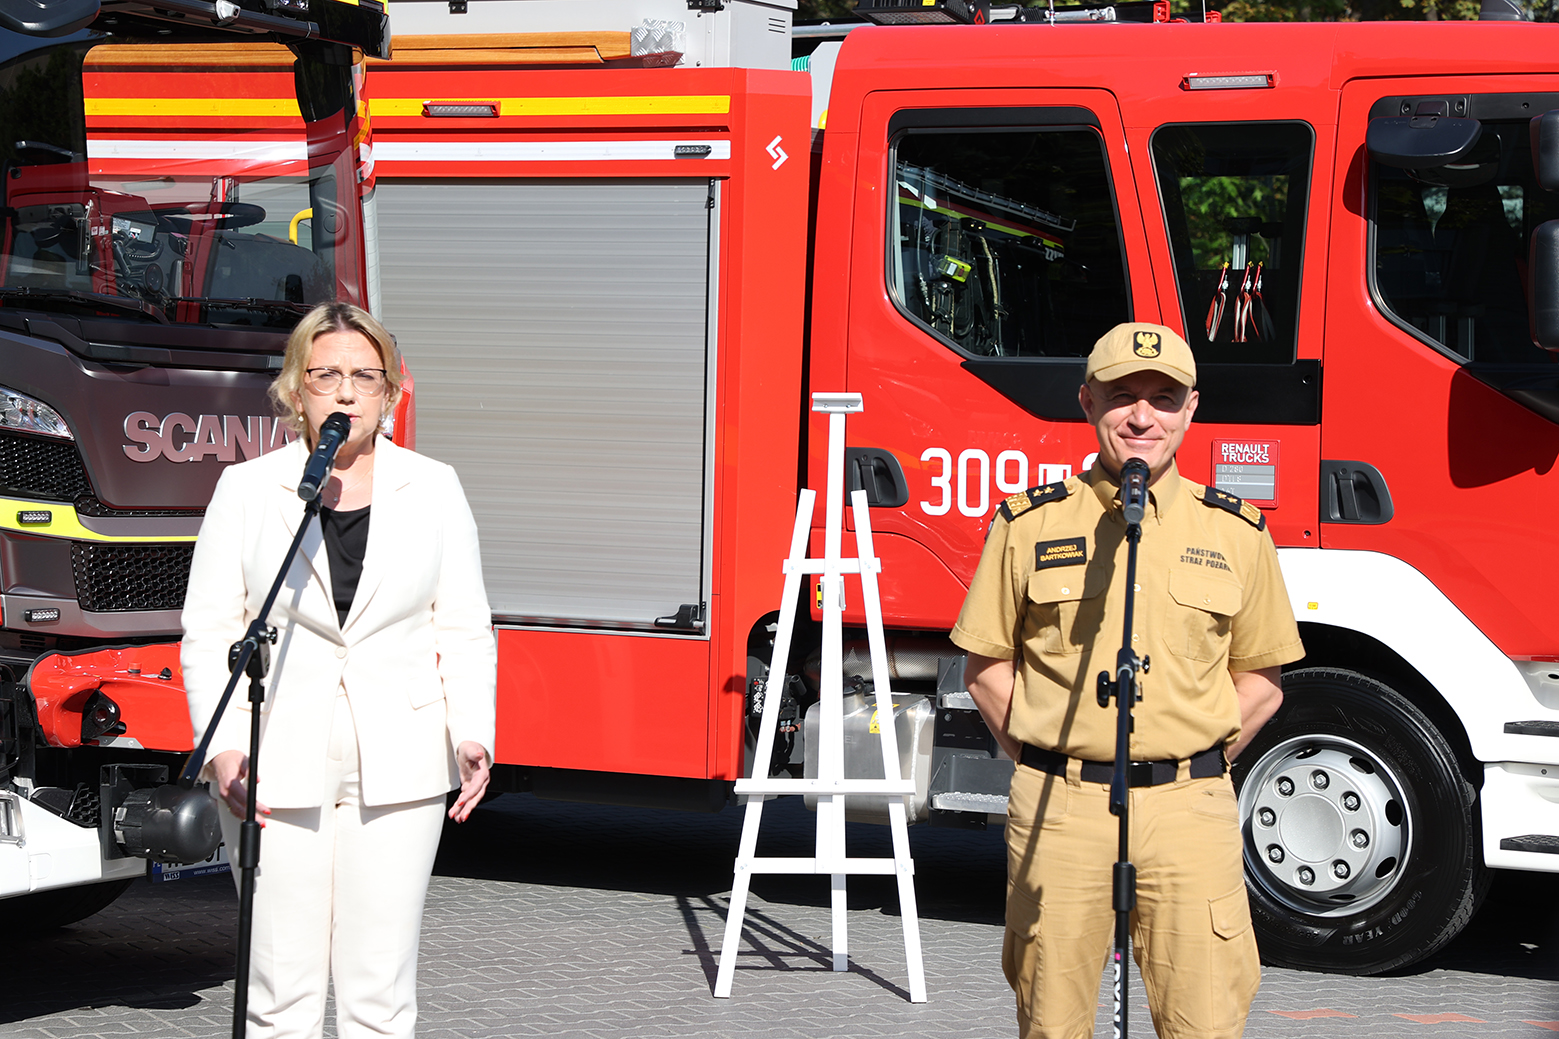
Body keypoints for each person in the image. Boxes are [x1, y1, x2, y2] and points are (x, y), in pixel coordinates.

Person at [952, 322, 1303, 1039]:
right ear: (1087, 402)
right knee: (1051, 1023)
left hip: (1188, 813)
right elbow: (986, 671)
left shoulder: (1237, 533)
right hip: (1061, 809)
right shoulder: (1027, 524)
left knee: (1203, 1023)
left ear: (1190, 409)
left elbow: (1261, 680)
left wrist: (1194, 764)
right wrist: (1051, 759)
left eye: (1163, 398)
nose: (1142, 417)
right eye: (1122, 396)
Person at [182, 302, 497, 1039]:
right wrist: (223, 752)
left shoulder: (436, 486)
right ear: (297, 390)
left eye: (365, 376)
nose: (347, 392)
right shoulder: (248, 489)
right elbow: (211, 630)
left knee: (378, 992)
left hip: (403, 756)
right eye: (326, 375)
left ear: (390, 393)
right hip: (271, 758)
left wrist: (471, 731)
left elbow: (463, 624)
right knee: (278, 991)